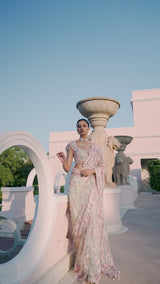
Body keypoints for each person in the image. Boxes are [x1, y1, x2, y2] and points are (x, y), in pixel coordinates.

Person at [57, 119, 120, 284]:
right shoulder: (72, 145)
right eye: (78, 126)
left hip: (91, 185)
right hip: (77, 184)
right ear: (76, 129)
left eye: (84, 125)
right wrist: (63, 158)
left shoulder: (96, 146)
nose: (81, 128)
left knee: (92, 222)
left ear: (88, 128)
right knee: (80, 224)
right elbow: (67, 167)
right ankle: (84, 264)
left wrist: (92, 170)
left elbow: (102, 165)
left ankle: (92, 267)